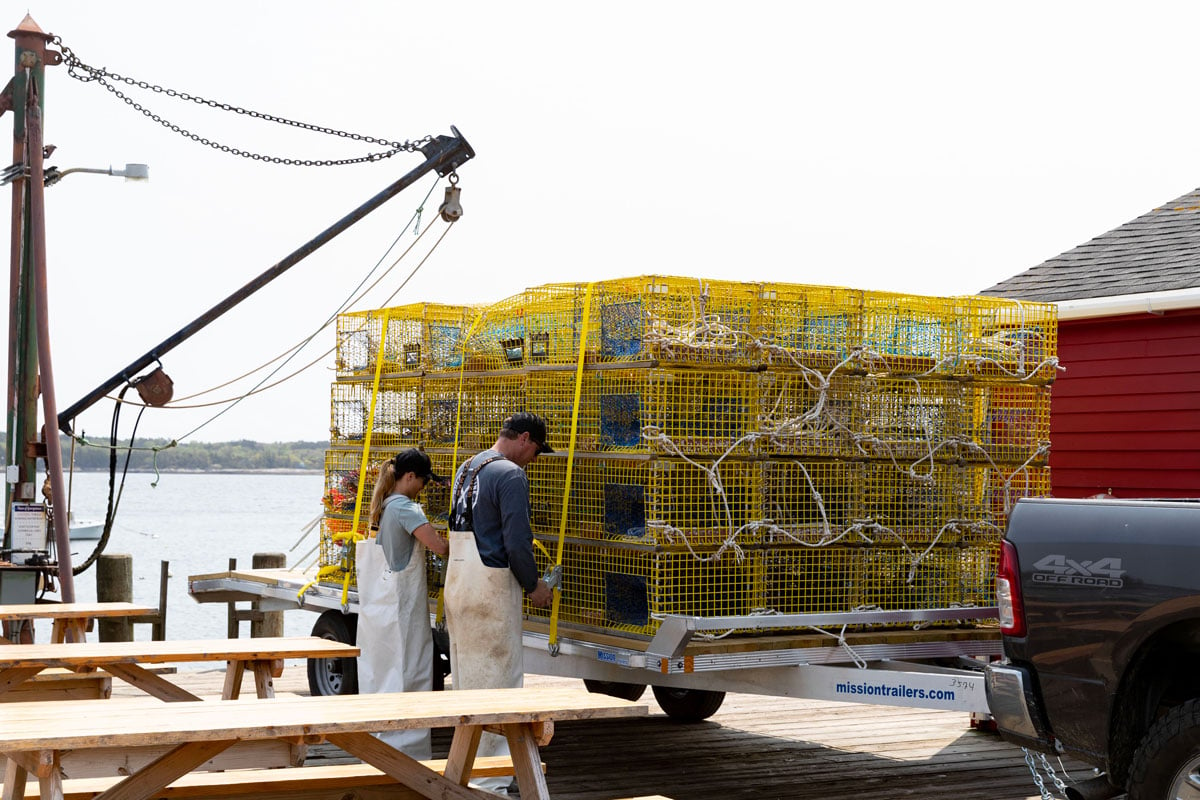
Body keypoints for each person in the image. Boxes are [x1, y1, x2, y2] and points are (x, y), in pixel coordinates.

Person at [444, 412, 554, 795]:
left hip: (458, 583)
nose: (534, 460)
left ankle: (464, 772)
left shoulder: (467, 467)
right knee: (498, 686)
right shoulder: (509, 475)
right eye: (537, 451)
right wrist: (534, 585)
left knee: (468, 686)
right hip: (489, 589)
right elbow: (517, 542)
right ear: (525, 438)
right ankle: (488, 784)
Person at [355, 448, 449, 760]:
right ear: (410, 477)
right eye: (423, 481)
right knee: (411, 669)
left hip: (379, 605)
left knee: (382, 672)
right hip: (403, 604)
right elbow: (439, 547)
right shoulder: (407, 509)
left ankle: (380, 744)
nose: (423, 487)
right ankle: (406, 750)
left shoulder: (382, 505)